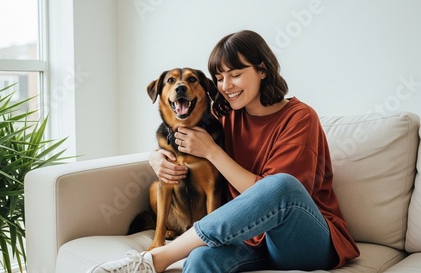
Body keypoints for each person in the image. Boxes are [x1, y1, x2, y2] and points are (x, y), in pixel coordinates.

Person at [87, 30, 359, 273]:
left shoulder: (300, 118)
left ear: (262, 70)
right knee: (200, 260)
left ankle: (155, 261)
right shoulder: (224, 115)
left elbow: (279, 197)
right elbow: (177, 136)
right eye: (219, 77)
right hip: (249, 241)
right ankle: (171, 256)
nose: (226, 86)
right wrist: (155, 157)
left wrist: (213, 152)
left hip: (300, 241)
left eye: (236, 74)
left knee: (282, 185)